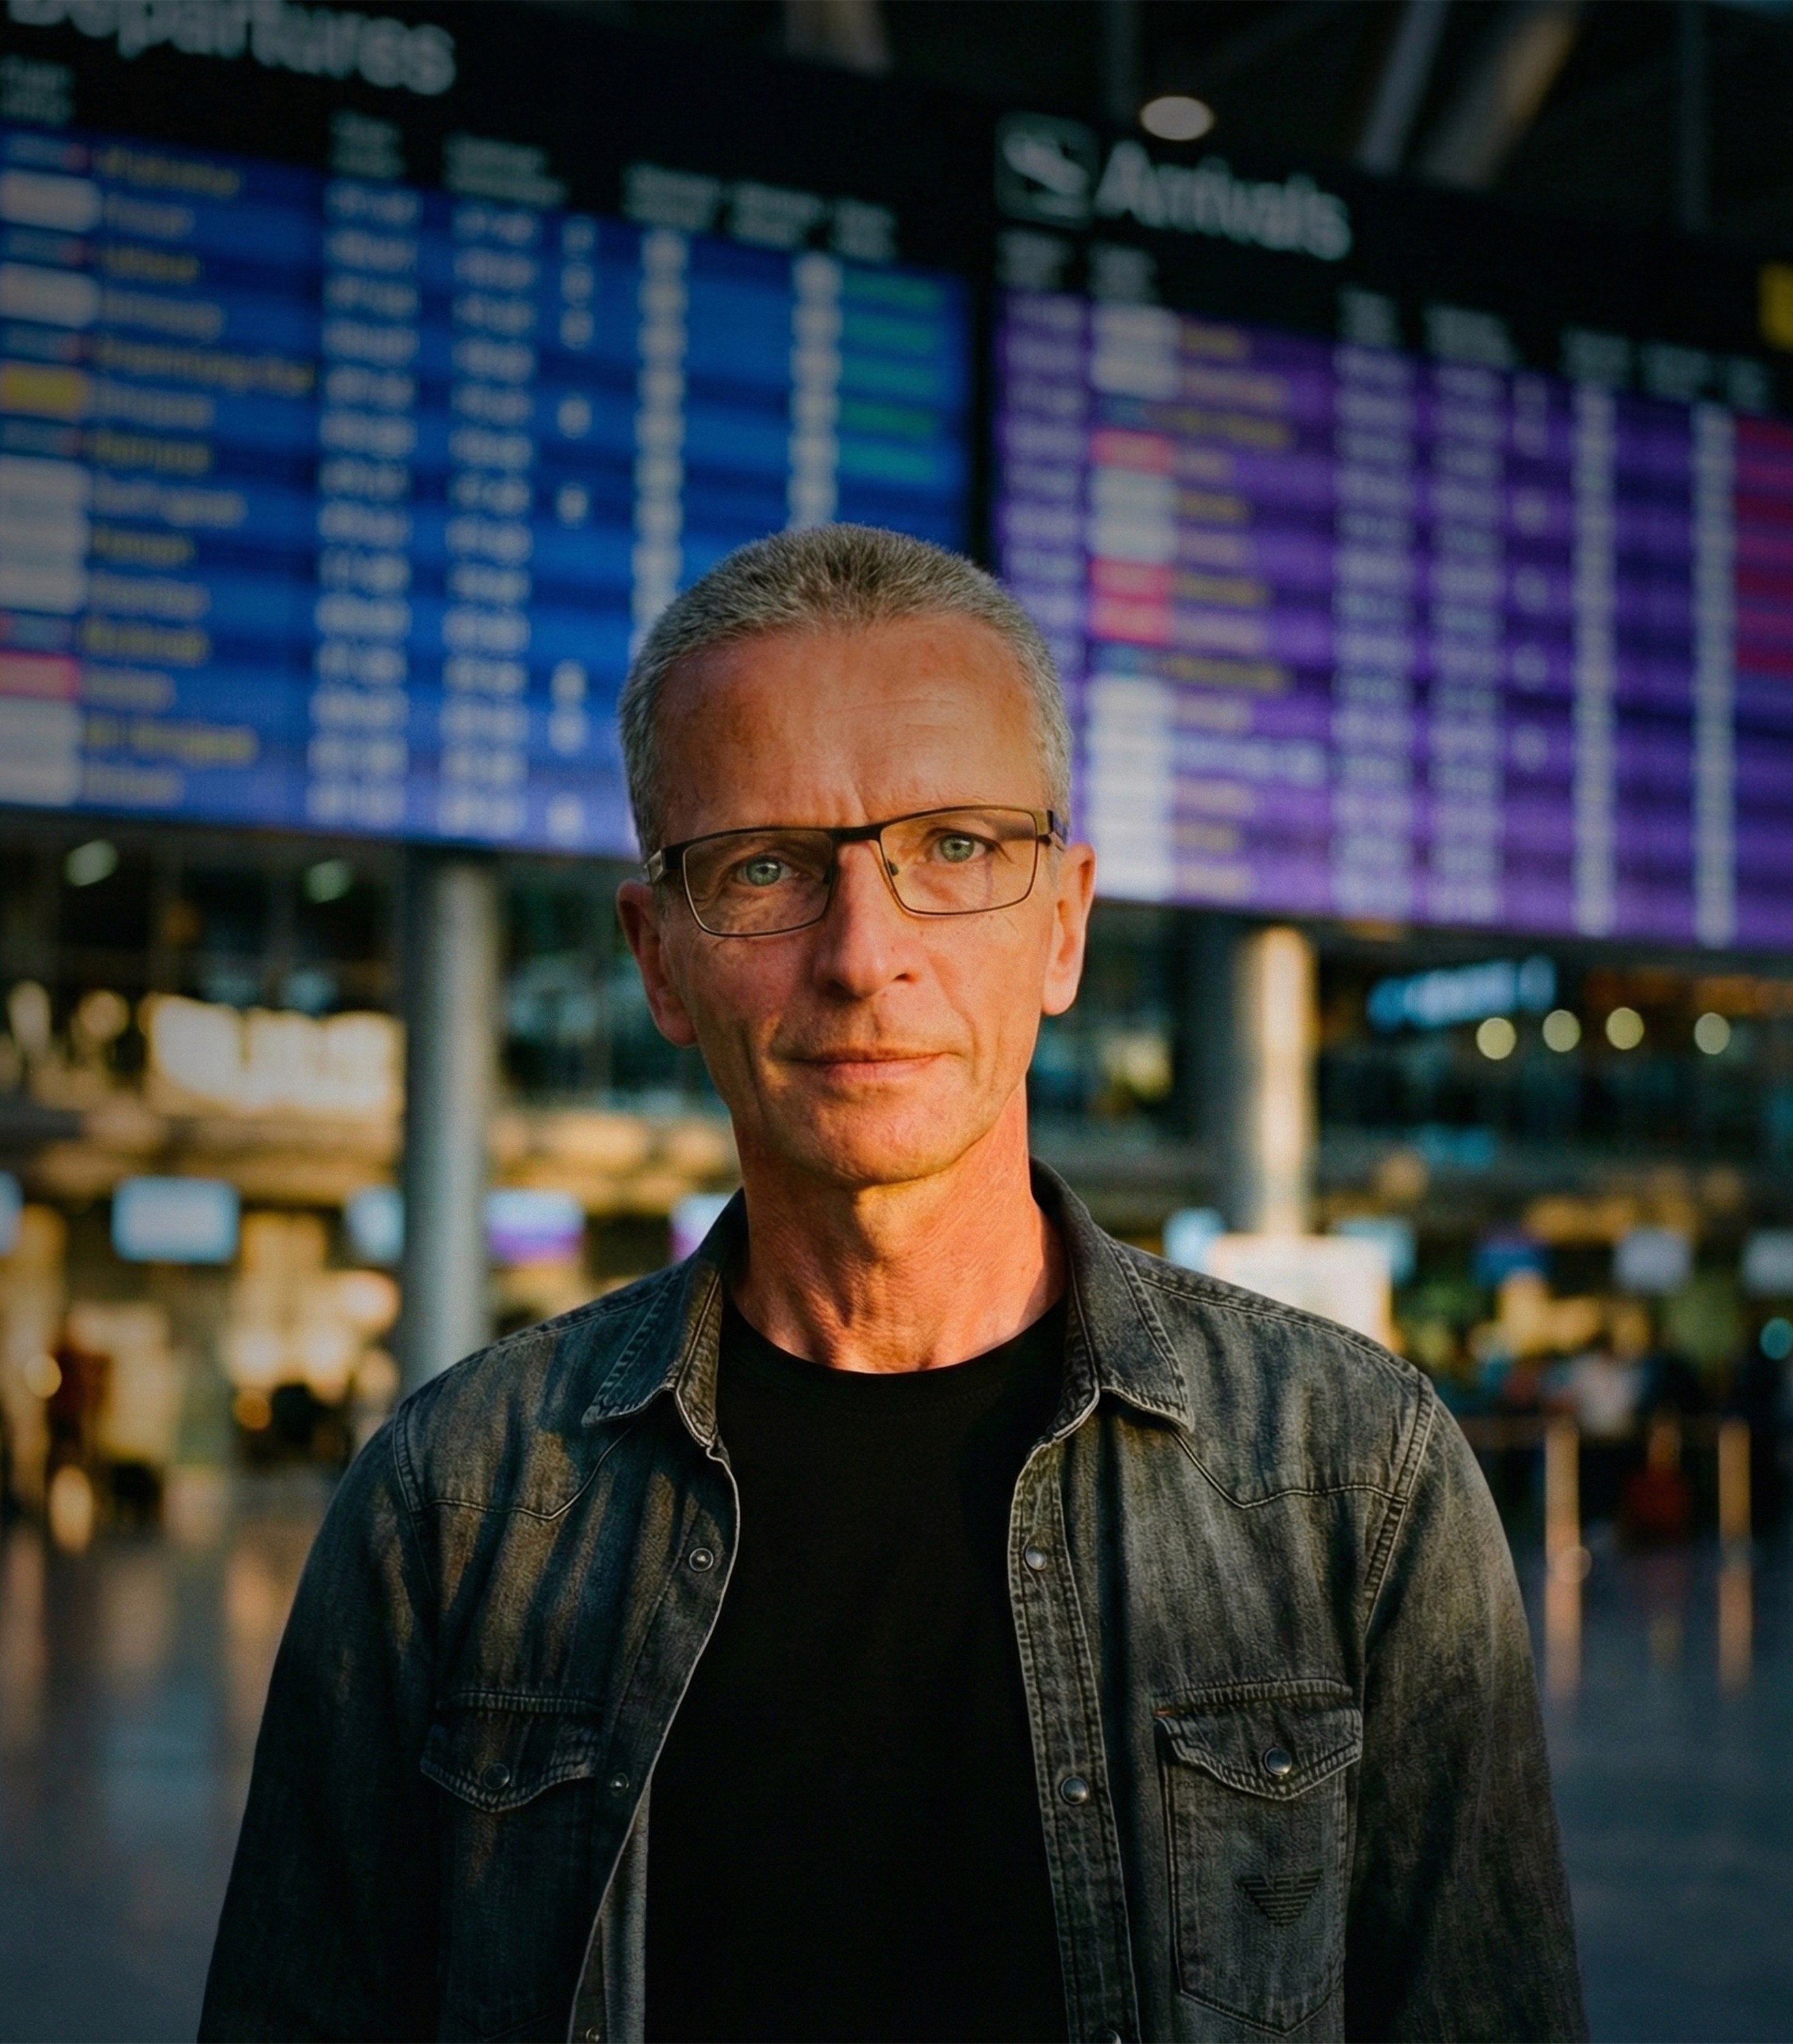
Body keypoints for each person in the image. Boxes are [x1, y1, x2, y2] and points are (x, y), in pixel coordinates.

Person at [201, 526, 1585, 2044]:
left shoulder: (1352, 1481)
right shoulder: (453, 1507)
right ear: (656, 957)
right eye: (764, 867)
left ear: (1062, 922)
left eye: (956, 848)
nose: (864, 955)